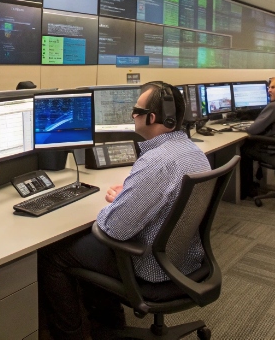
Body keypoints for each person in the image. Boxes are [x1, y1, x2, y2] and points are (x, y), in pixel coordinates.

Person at [38, 82, 210, 340]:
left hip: (153, 269)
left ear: (151, 118)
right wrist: (132, 197)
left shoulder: (157, 162)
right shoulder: (194, 152)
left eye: (136, 110)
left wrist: (121, 203)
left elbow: (115, 229)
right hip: (186, 260)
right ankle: (110, 325)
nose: (132, 116)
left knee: (54, 254)